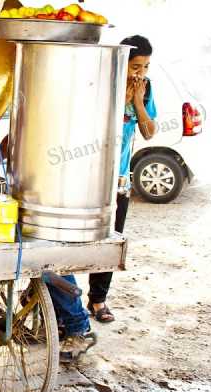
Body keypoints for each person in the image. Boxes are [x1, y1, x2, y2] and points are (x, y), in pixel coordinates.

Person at [87, 35, 157, 323]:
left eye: (146, 67)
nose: (140, 73)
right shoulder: (105, 83)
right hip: (91, 175)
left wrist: (138, 102)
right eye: (135, 66)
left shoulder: (146, 89)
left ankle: (98, 300)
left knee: (110, 241)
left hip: (119, 179)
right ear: (122, 64)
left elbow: (149, 132)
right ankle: (62, 302)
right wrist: (121, 102)